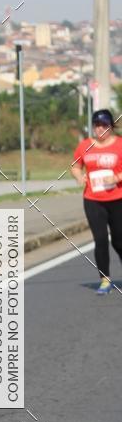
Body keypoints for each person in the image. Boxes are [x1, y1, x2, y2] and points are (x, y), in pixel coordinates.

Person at [72, 108, 122, 294]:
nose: (100, 129)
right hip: (93, 199)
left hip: (118, 199)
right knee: (100, 240)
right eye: (97, 125)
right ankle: (105, 280)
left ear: (111, 126)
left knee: (119, 241)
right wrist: (79, 177)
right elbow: (75, 166)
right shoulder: (85, 145)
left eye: (104, 125)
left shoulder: (119, 144)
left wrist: (117, 178)